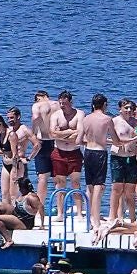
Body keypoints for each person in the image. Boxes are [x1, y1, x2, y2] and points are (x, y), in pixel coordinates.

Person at [49, 91, 85, 219]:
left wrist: (62, 134)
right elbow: (52, 134)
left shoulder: (79, 114)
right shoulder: (56, 115)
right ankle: (60, 213)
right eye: (60, 103)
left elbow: (80, 133)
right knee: (60, 183)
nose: (62, 106)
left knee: (75, 182)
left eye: (64, 103)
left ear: (70, 102)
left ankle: (80, 212)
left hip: (74, 152)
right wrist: (70, 132)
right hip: (59, 152)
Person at [79, 94, 113, 228]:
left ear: (93, 105)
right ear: (104, 105)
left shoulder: (86, 119)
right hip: (100, 153)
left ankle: (89, 218)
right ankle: (96, 219)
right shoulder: (107, 119)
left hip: (88, 152)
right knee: (99, 186)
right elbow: (115, 139)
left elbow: (79, 140)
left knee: (89, 186)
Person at [0, 176, 43, 247]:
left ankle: (9, 240)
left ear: (23, 187)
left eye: (20, 187)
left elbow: (41, 208)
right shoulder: (22, 194)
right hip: (17, 215)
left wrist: (42, 224)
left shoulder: (31, 197)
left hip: (24, 223)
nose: (19, 189)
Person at [30, 90, 57, 219]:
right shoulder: (58, 105)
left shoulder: (37, 106)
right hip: (57, 142)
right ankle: (60, 209)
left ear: (42, 97)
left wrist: (33, 134)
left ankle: (39, 210)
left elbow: (36, 118)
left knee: (42, 178)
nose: (36, 101)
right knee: (58, 178)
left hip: (43, 141)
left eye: (37, 98)